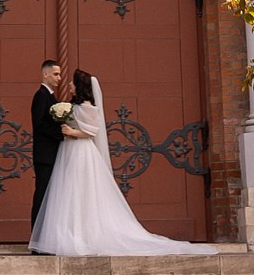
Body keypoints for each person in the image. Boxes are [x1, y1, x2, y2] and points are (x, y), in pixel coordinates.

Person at [28, 68, 206, 256]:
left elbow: (92, 131)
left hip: (81, 152)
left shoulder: (88, 106)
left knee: (80, 190)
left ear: (79, 86)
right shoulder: (72, 106)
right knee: (67, 191)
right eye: (59, 76)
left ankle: (82, 234)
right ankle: (65, 232)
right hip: (68, 152)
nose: (68, 84)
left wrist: (72, 132)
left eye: (72, 82)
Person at [29, 58, 65, 234]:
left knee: (49, 197)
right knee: (42, 196)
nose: (59, 78)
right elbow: (40, 123)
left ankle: (45, 237)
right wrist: (62, 132)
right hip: (45, 156)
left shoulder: (50, 96)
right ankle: (37, 240)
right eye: (56, 74)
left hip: (51, 154)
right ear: (46, 74)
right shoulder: (41, 95)